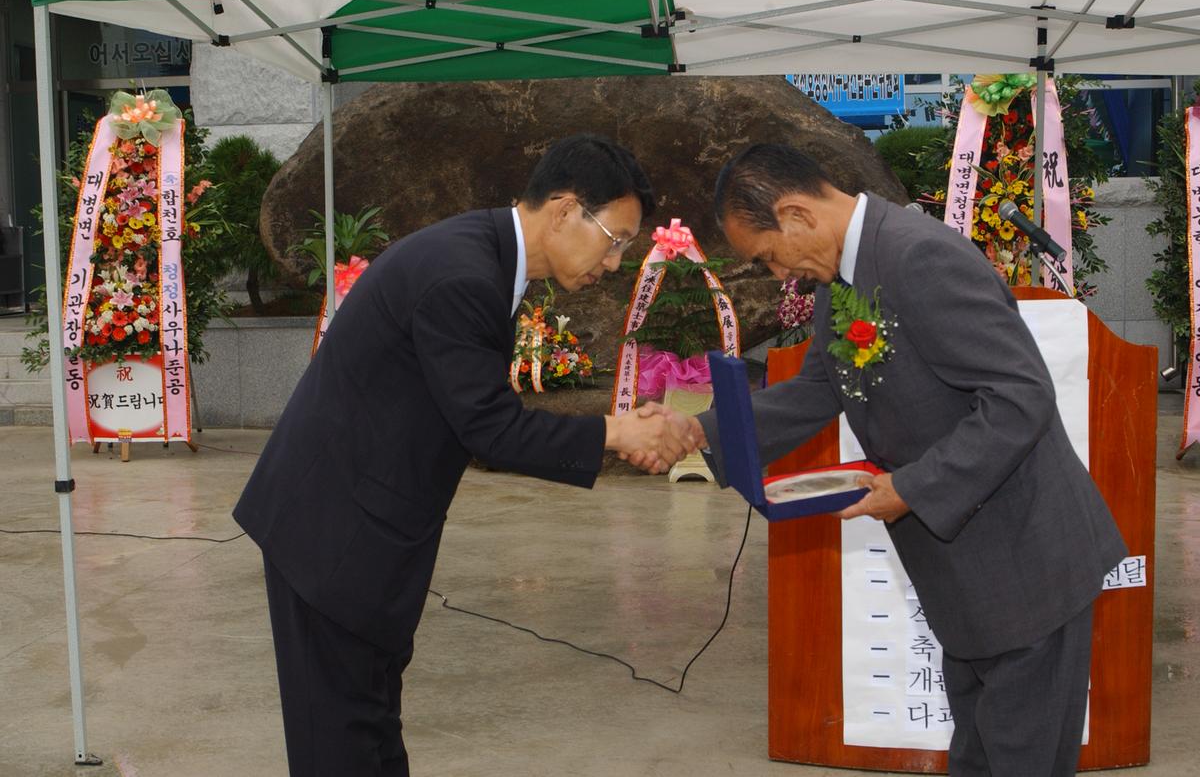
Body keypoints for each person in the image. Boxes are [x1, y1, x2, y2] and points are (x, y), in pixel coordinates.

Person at [649, 143, 1127, 776]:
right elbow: (821, 388)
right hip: (966, 575)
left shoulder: (919, 255)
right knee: (981, 757)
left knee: (1022, 760)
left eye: (766, 257)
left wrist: (912, 487)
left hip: (1024, 566)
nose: (776, 274)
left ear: (795, 216)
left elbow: (1019, 396)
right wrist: (697, 430)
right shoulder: (845, 273)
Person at [234, 134, 695, 776]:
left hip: (362, 527)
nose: (616, 263)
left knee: (366, 729)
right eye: (615, 239)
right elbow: (491, 430)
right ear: (563, 211)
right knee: (340, 743)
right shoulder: (463, 275)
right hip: (333, 537)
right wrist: (618, 433)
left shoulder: (482, 254)